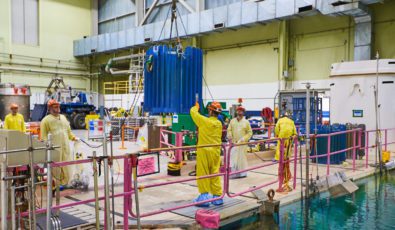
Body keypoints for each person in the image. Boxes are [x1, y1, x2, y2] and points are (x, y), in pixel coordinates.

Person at [190, 101, 223, 207]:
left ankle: (204, 198)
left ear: (210, 110)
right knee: (214, 172)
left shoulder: (204, 121)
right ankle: (217, 197)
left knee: (203, 173)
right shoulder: (219, 124)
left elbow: (193, 113)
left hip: (204, 151)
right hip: (215, 152)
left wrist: (196, 107)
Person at [41, 99, 79, 186]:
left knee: (67, 166)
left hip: (65, 148)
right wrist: (47, 147)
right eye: (55, 106)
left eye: (58, 106)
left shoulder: (63, 118)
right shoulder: (45, 121)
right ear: (50, 108)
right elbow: (43, 137)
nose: (58, 108)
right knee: (56, 168)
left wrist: (73, 138)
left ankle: (65, 184)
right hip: (54, 149)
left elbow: (68, 132)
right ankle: (56, 185)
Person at [227, 106, 252, 178]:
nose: (239, 112)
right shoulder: (232, 121)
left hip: (242, 144)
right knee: (233, 158)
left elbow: (250, 133)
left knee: (241, 159)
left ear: (243, 113)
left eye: (241, 111)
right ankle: (234, 173)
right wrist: (230, 137)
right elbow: (229, 130)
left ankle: (242, 173)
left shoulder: (246, 122)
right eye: (238, 111)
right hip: (233, 143)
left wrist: (243, 139)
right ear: (236, 112)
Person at [274, 112, 297, 193]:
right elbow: (295, 133)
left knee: (281, 163)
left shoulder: (280, 121)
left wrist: (277, 136)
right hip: (288, 143)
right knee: (286, 162)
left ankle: (282, 181)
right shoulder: (291, 121)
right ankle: (286, 178)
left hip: (281, 143)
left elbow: (276, 130)